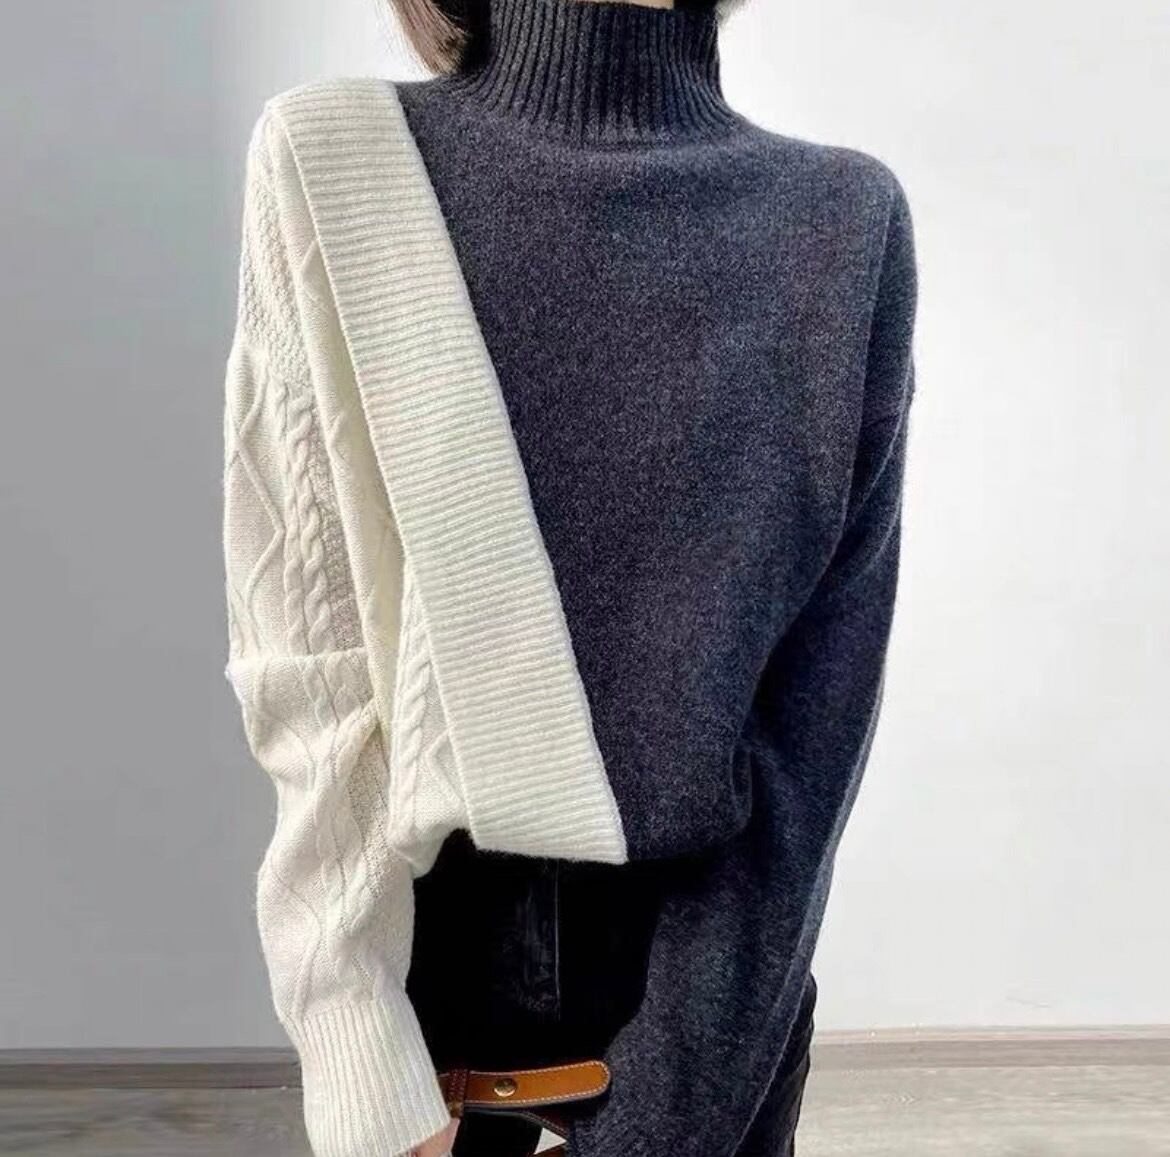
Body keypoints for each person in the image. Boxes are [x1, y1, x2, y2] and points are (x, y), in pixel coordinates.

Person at [221, 0, 918, 1155]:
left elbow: (812, 738)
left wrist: (662, 1121)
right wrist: (362, 1062)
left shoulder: (844, 219)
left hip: (713, 1033)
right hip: (427, 1042)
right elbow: (312, 669)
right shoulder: (339, 163)